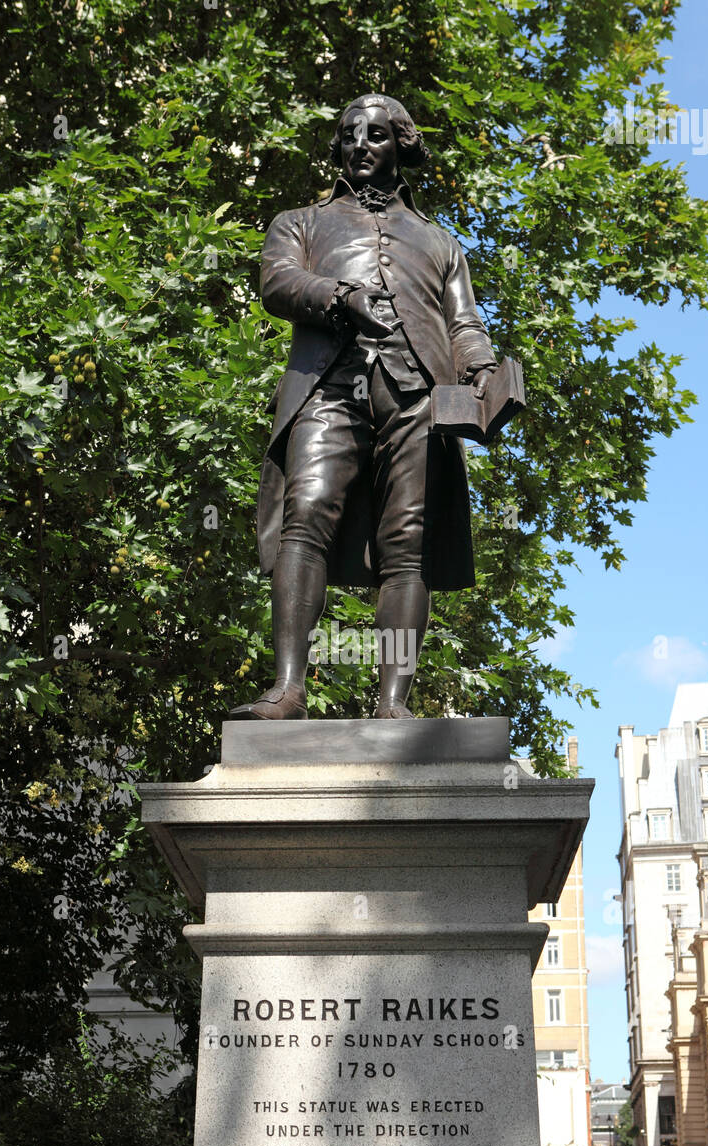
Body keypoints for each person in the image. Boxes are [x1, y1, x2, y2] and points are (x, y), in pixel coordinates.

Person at [229, 93, 498, 720]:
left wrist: (482, 368)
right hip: (328, 385)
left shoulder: (440, 242)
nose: (359, 145)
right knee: (306, 512)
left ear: (401, 143)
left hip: (417, 396)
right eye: (349, 135)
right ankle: (288, 690)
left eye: (375, 135)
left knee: (408, 542)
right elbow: (277, 281)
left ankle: (393, 705)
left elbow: (463, 324)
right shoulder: (300, 222)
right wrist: (340, 296)